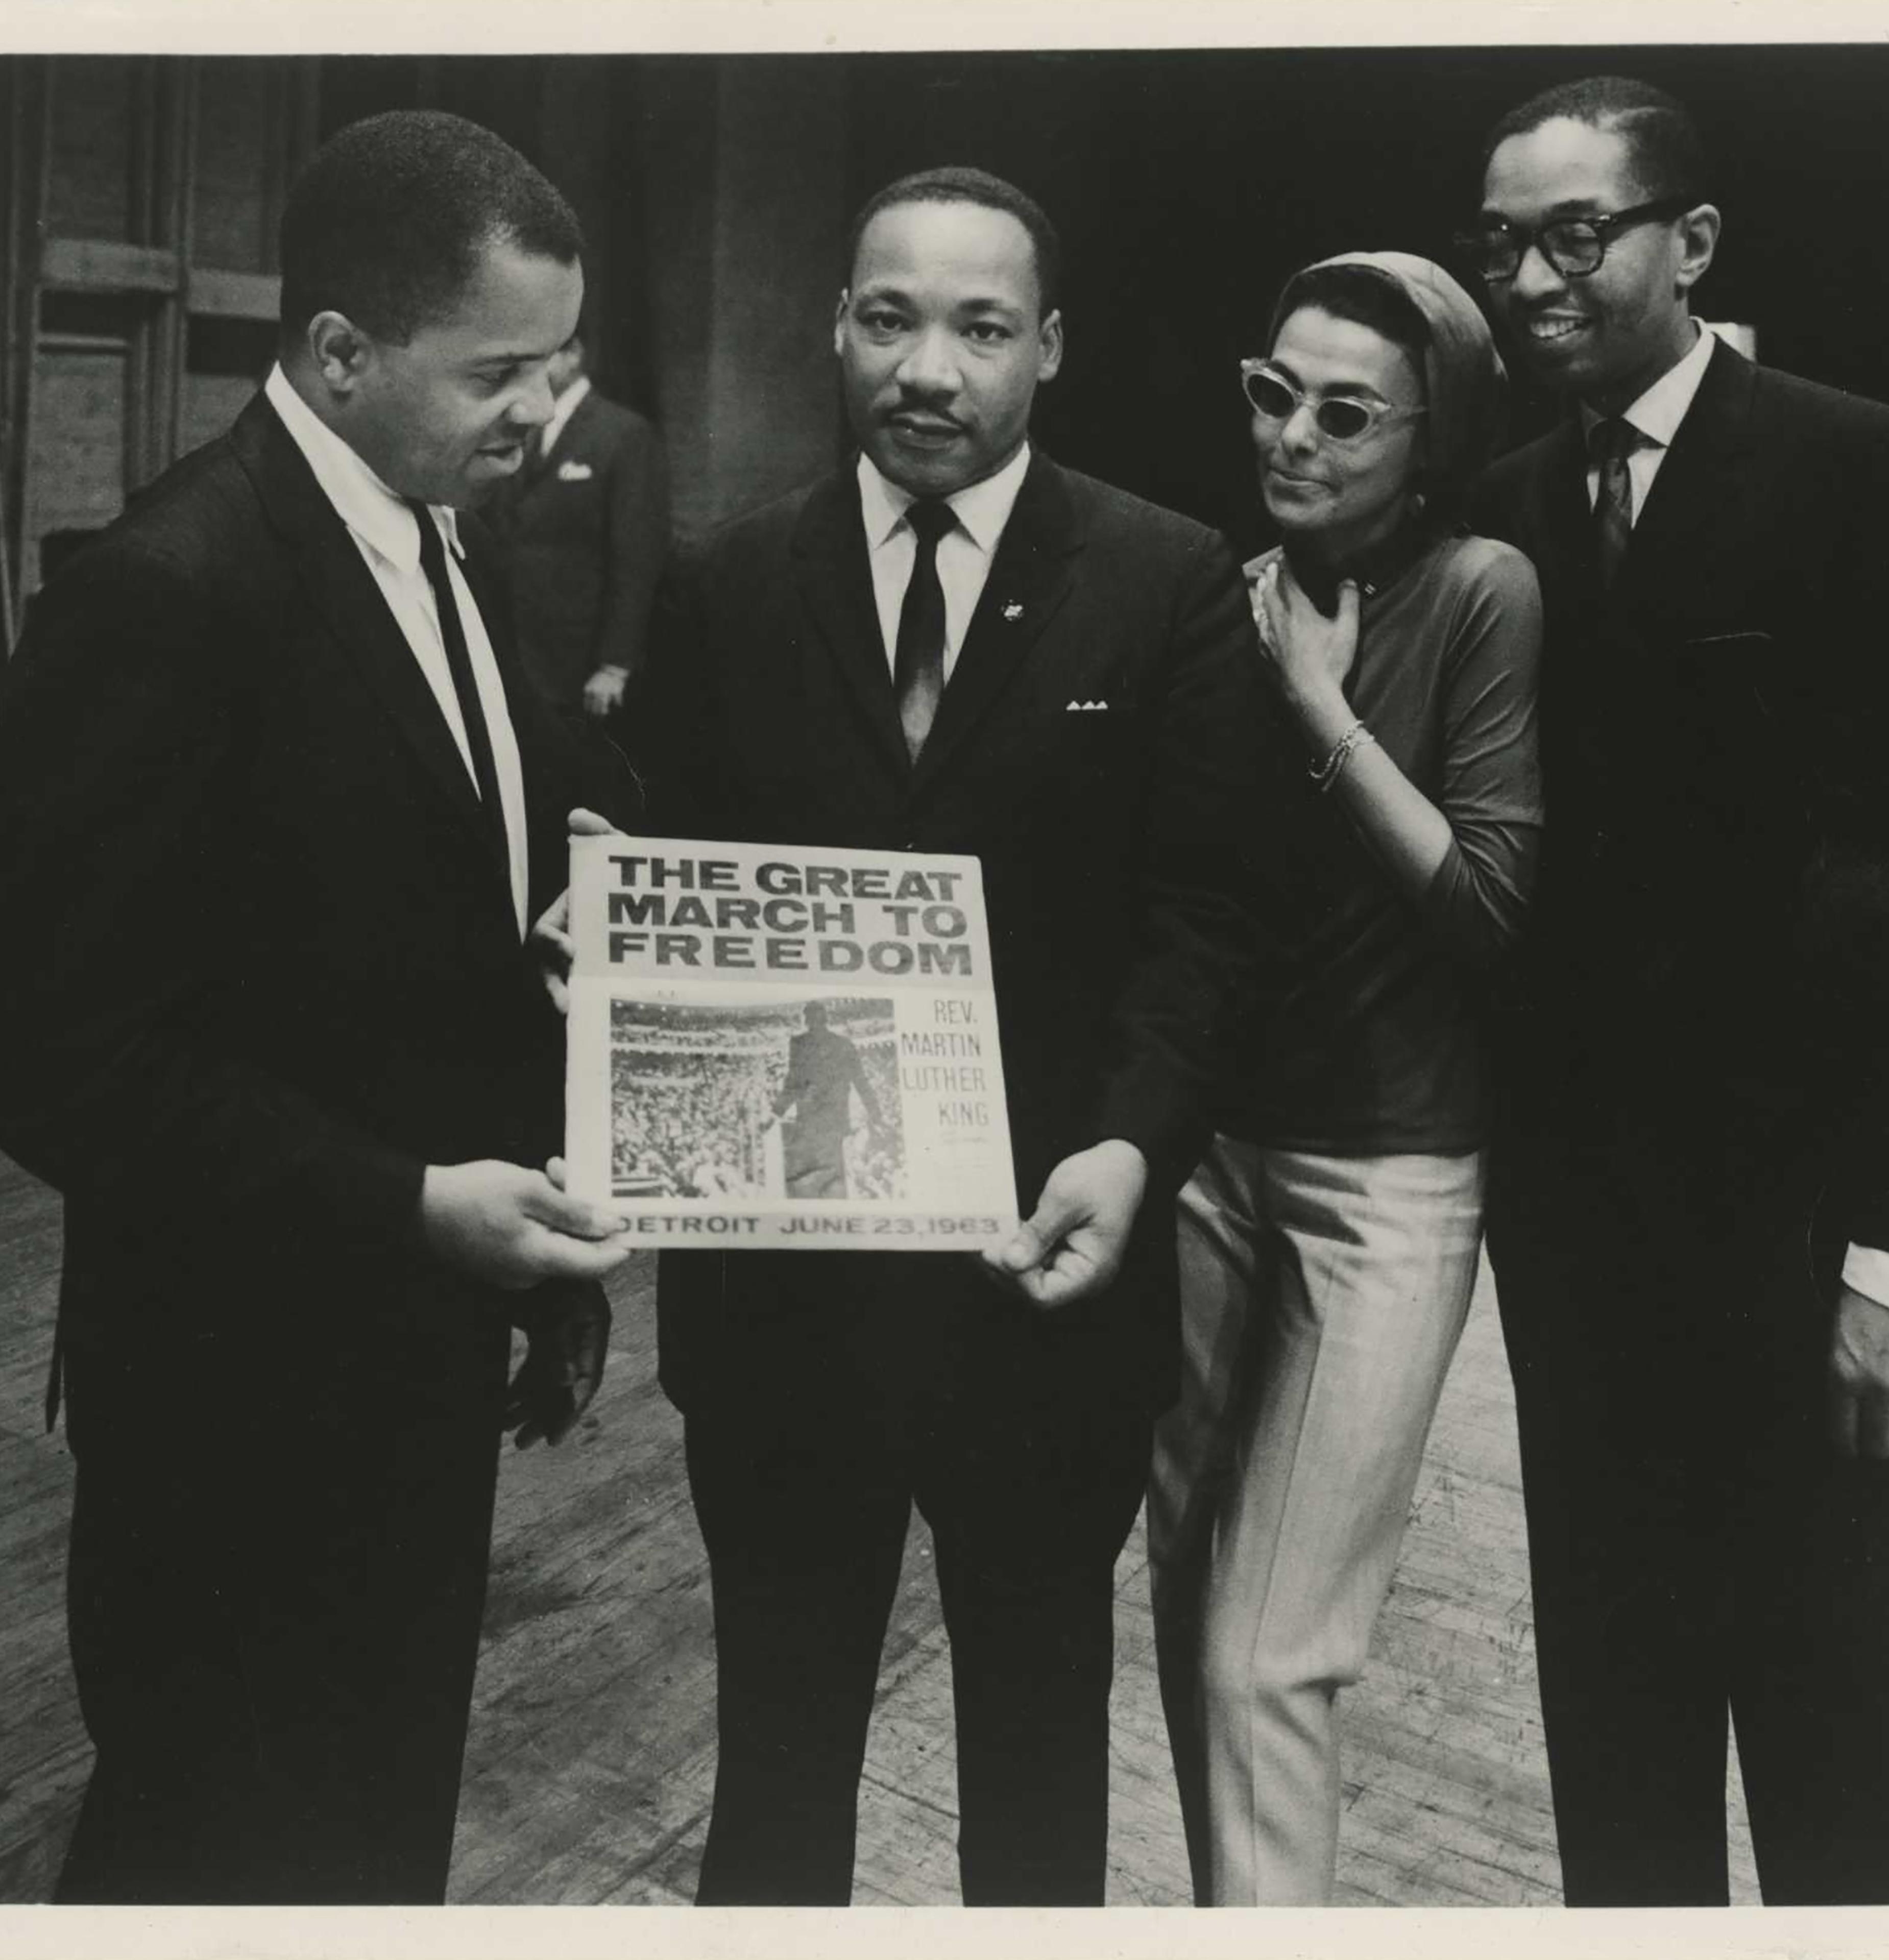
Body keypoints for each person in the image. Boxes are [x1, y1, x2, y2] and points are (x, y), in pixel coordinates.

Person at [0, 110, 636, 1904]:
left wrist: (579, 871)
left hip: (416, 1367)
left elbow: (433, 884)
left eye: (560, 368)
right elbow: (61, 1052)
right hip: (233, 1402)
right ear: (340, 355)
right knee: (207, 1843)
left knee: (367, 1842)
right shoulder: (166, 591)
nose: (540, 414)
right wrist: (410, 1207)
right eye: (498, 371)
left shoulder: (444, 532)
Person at [619, 164, 1271, 1905]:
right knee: (774, 1779)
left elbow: (1207, 924)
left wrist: (1133, 1147)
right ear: (838, 327)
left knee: (1042, 1786)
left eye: (981, 327)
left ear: (1048, 350)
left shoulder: (1167, 581)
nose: (931, 366)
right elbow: (660, 881)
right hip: (781, 1315)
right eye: (892, 317)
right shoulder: (726, 583)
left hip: (1043, 1295)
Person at [1460, 75, 1889, 1904]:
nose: (1528, 278)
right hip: (1585, 1255)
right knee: (1619, 1720)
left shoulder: (1867, 466)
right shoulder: (1498, 504)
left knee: (1847, 1727)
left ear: (1694, 242)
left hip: (1819, 1252)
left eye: (1574, 235)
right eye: (1501, 242)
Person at [1147, 253, 1541, 1905]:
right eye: (1271, 393)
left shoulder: (1482, 590)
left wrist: (1320, 708)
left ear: (1430, 436)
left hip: (1388, 1178)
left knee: (1271, 1654)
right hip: (1217, 1164)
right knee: (1187, 1602)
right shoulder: (1224, 588)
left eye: (1347, 412)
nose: (1294, 436)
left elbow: (1494, 912)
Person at [482, 327, 667, 723]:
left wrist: (615, 664)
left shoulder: (623, 434)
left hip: (580, 661)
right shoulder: (515, 428)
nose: (525, 374)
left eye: (540, 360)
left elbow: (636, 558)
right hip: (513, 651)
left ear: (573, 355)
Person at [772, 1000, 881, 1199]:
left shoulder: (799, 1044)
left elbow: (793, 1083)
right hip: (834, 1121)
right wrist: (875, 1113)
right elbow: (861, 1082)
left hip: (811, 1121)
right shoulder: (844, 1044)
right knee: (834, 1175)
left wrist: (776, 1112)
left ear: (807, 1020)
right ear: (826, 1019)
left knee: (811, 1177)